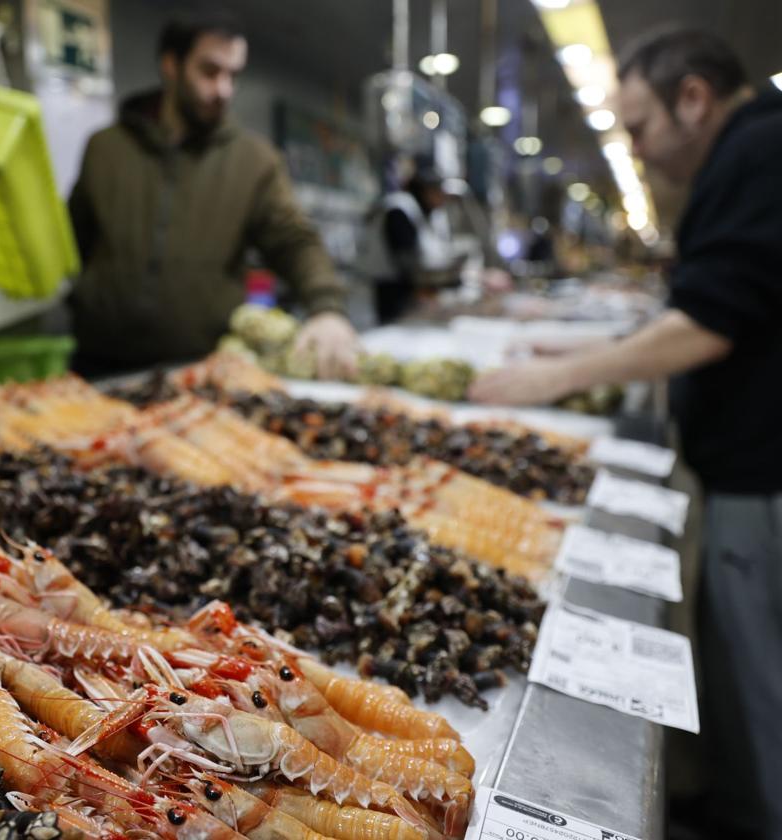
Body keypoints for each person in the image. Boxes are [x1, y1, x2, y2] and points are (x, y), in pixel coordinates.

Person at [469, 28, 782, 838]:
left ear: (694, 98)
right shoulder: (747, 152)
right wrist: (580, 348)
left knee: (758, 671)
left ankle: (756, 814)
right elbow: (715, 300)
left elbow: (712, 320)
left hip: (762, 471)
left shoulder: (761, 149)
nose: (634, 149)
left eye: (638, 126)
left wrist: (556, 377)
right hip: (745, 461)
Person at [67, 11, 358, 378]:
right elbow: (74, 239)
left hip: (202, 370)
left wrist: (327, 307)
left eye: (232, 75)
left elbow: (293, 239)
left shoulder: (253, 160)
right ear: (171, 64)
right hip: (98, 364)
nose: (223, 90)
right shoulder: (106, 148)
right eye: (209, 71)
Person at [357, 161, 465, 323]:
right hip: (391, 288)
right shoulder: (400, 209)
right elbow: (405, 261)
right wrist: (427, 288)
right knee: (395, 328)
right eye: (438, 193)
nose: (442, 200)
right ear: (425, 191)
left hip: (408, 287)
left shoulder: (426, 212)